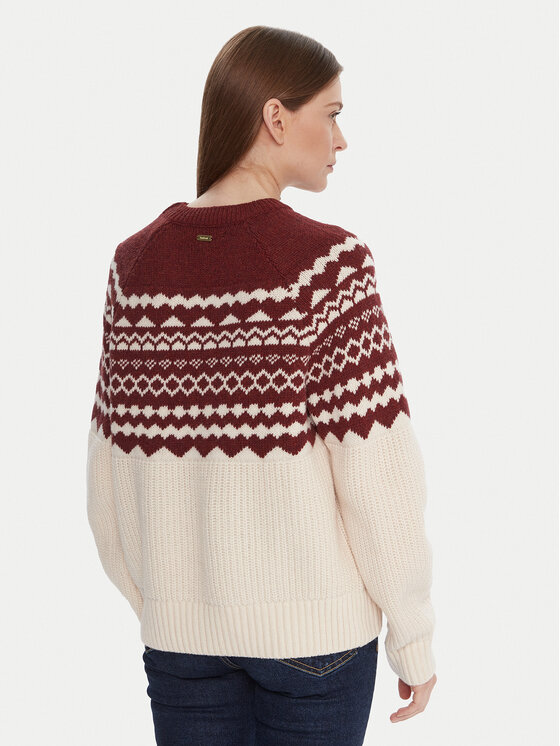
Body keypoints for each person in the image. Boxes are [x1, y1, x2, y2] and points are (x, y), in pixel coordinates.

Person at [86, 24, 437, 745]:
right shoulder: (328, 268)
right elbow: (378, 476)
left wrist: (168, 607)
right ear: (276, 116)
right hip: (316, 640)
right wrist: (413, 635)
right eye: (331, 114)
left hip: (181, 645)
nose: (341, 140)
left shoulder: (135, 266)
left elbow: (107, 480)